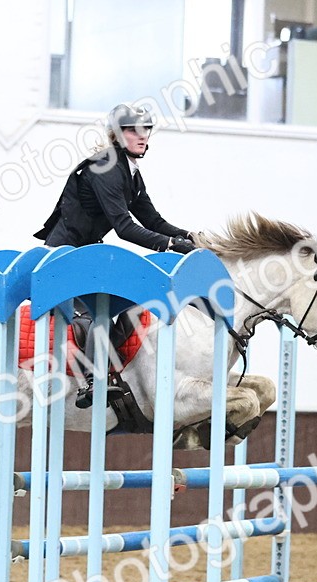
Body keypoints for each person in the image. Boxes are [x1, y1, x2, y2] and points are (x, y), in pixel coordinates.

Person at [34, 103, 197, 408]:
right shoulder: (106, 166)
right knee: (102, 306)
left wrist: (191, 238)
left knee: (127, 300)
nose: (142, 135)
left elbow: (153, 220)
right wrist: (171, 245)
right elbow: (124, 227)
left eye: (146, 129)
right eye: (133, 130)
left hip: (86, 253)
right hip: (63, 255)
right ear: (118, 134)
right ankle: (90, 381)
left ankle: (113, 369)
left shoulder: (130, 173)